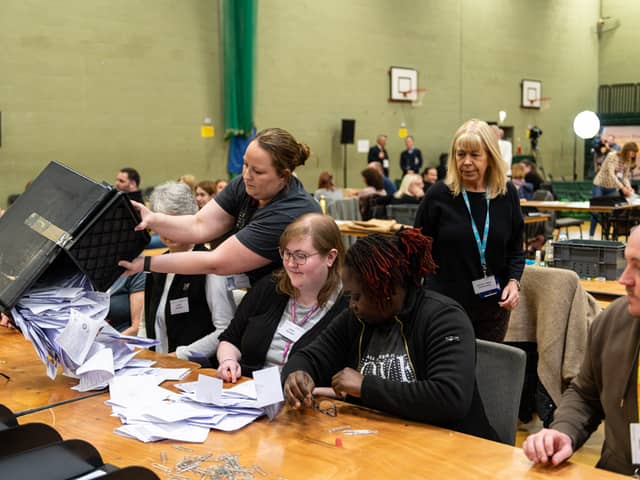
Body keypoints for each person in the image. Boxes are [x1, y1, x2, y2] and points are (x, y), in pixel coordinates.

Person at [282, 229, 497, 441]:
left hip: (453, 446)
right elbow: (309, 356)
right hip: (384, 439)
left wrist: (366, 387)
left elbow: (450, 398)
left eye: (357, 296)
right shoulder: (356, 319)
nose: (352, 305)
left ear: (386, 291)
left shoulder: (444, 318)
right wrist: (298, 376)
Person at [118, 128, 321, 286]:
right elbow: (200, 224)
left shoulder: (290, 212)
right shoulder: (245, 184)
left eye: (257, 171)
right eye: (245, 164)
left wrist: (145, 264)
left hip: (297, 303)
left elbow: (217, 262)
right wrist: (153, 219)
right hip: (262, 289)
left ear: (284, 176)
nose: (246, 175)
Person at [522, 226, 640, 475]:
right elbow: (586, 393)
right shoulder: (613, 322)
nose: (624, 279)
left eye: (638, 266)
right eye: (627, 263)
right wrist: (563, 430)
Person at [415, 119, 524, 342]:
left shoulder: (507, 194)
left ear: (490, 157)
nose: (466, 162)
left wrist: (514, 283)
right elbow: (416, 250)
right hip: (444, 309)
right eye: (460, 154)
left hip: (493, 310)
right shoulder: (438, 196)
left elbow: (515, 249)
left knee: (486, 372)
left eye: (475, 155)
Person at [215, 213, 348, 382]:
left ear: (330, 257)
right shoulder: (270, 286)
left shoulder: (348, 306)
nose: (291, 264)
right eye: (286, 253)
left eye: (301, 256)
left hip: (306, 402)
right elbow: (230, 339)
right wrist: (228, 361)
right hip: (246, 391)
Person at [143, 182, 236, 359]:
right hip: (156, 368)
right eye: (163, 224)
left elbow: (225, 331)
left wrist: (180, 356)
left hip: (195, 370)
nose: (168, 232)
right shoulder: (157, 263)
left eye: (175, 223)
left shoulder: (210, 264)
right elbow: (148, 322)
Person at [589, 141, 638, 238]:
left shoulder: (628, 161)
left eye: (634, 153)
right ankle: (591, 235)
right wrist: (622, 188)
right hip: (600, 185)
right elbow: (611, 175)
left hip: (611, 188)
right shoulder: (612, 156)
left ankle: (609, 236)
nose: (633, 155)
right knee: (595, 211)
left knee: (613, 212)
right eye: (632, 152)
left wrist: (629, 187)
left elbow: (624, 177)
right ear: (626, 150)